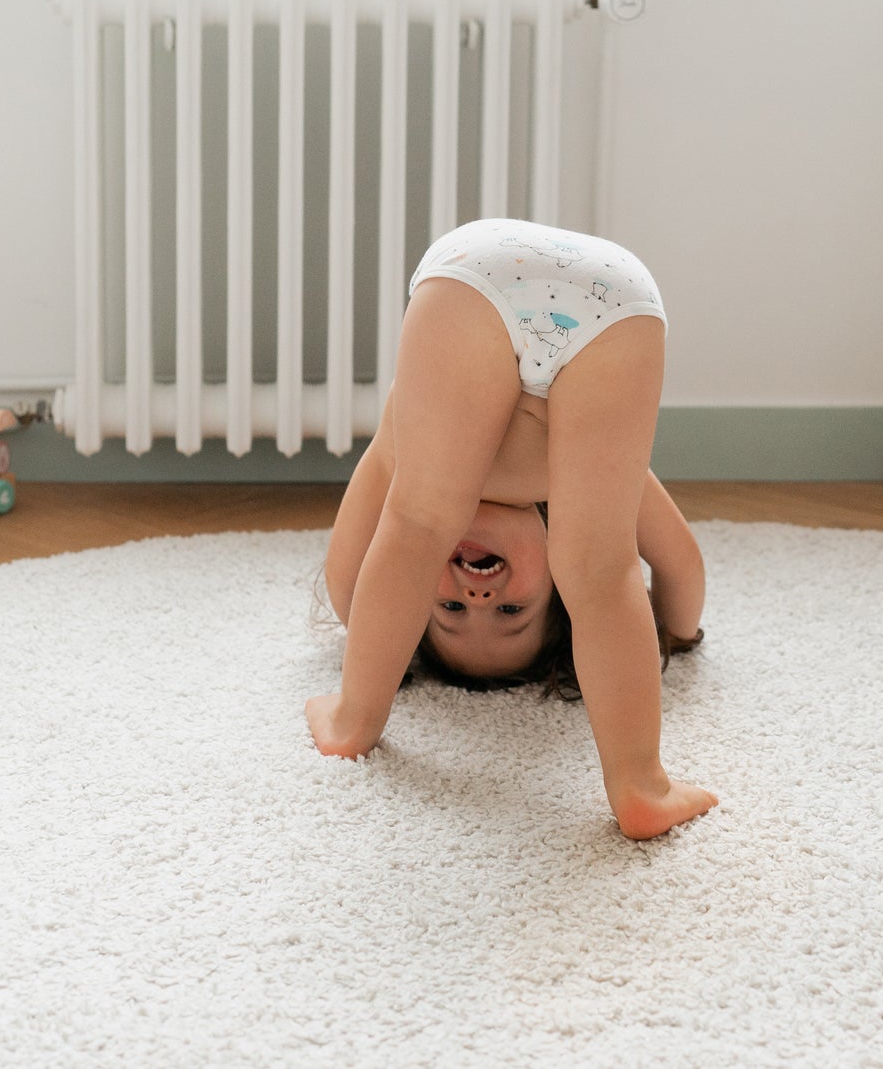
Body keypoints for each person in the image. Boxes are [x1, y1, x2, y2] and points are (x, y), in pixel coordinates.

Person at [305, 217, 717, 840]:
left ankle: (355, 721)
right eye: (512, 612)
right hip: (614, 299)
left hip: (480, 276)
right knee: (601, 568)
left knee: (417, 524)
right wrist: (676, 632)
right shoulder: (570, 478)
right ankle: (638, 783)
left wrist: (356, 679)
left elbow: (350, 585)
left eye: (446, 607)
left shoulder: (407, 450)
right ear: (555, 588)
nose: (478, 596)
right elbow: (680, 566)